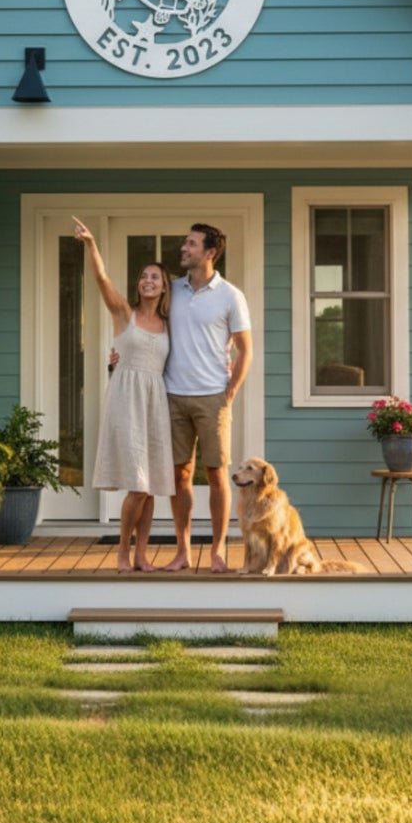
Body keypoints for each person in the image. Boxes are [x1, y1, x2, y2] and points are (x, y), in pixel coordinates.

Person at [72, 216, 174, 573]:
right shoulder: (123, 313)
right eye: (144, 276)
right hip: (126, 398)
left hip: (155, 402)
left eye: (155, 278)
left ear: (164, 287)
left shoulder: (169, 324)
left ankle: (142, 554)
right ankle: (122, 552)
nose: (148, 281)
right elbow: (101, 280)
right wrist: (91, 244)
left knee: (149, 488)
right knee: (137, 484)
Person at [162, 223, 253, 574]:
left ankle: (217, 552)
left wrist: (230, 391)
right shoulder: (172, 290)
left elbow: (246, 350)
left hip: (213, 397)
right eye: (185, 242)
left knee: (217, 474)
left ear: (210, 252)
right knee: (179, 477)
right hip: (173, 395)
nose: (184, 248)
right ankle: (182, 552)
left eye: (191, 244)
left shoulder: (230, 296)